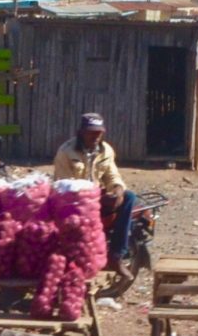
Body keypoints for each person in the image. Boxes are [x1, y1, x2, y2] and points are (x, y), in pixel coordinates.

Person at [53, 113, 138, 274]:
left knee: (130, 197)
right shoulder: (66, 152)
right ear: (81, 132)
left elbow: (112, 176)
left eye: (99, 133)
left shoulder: (106, 151)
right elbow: (63, 186)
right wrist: (93, 198)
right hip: (73, 201)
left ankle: (116, 255)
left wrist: (117, 191)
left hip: (97, 197)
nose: (96, 136)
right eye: (91, 132)